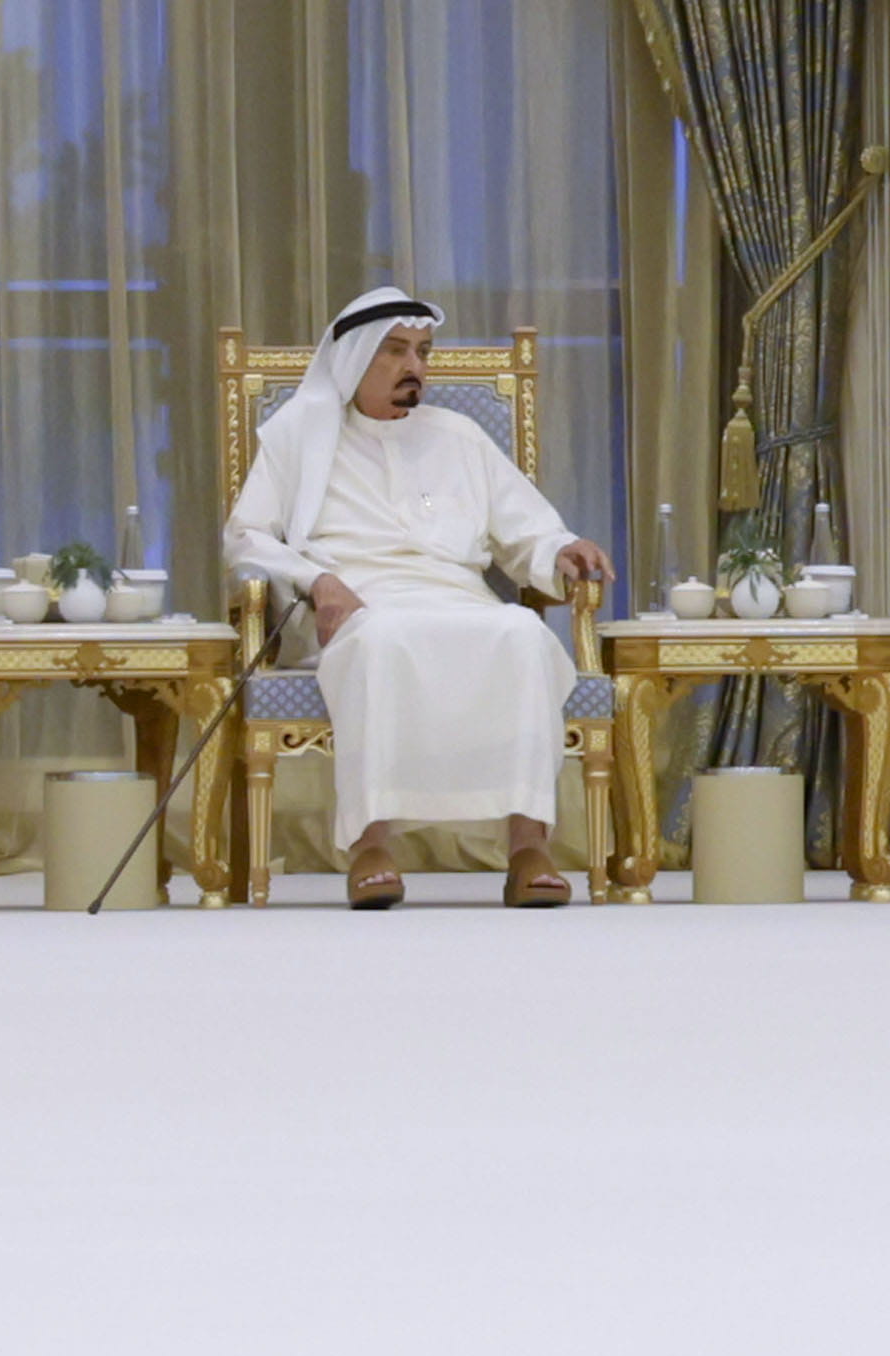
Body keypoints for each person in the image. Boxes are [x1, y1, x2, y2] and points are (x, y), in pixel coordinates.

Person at [223, 289, 612, 910]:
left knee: (523, 633)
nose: (416, 367)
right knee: (382, 639)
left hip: (459, 598)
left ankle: (528, 849)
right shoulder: (298, 438)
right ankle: (371, 848)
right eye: (397, 351)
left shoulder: (459, 436)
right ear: (355, 358)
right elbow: (245, 538)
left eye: (424, 352)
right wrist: (316, 580)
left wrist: (561, 548)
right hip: (358, 605)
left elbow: (526, 529)